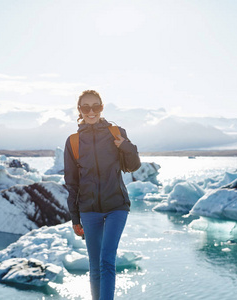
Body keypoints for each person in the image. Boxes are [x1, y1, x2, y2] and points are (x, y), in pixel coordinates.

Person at [64, 90, 141, 300]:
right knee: (95, 265)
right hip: (88, 210)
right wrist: (75, 217)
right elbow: (71, 183)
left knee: (107, 260)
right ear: (79, 110)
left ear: (102, 107)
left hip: (117, 206)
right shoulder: (73, 141)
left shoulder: (116, 132)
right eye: (85, 107)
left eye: (95, 106)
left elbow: (133, 166)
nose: (91, 111)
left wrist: (126, 146)